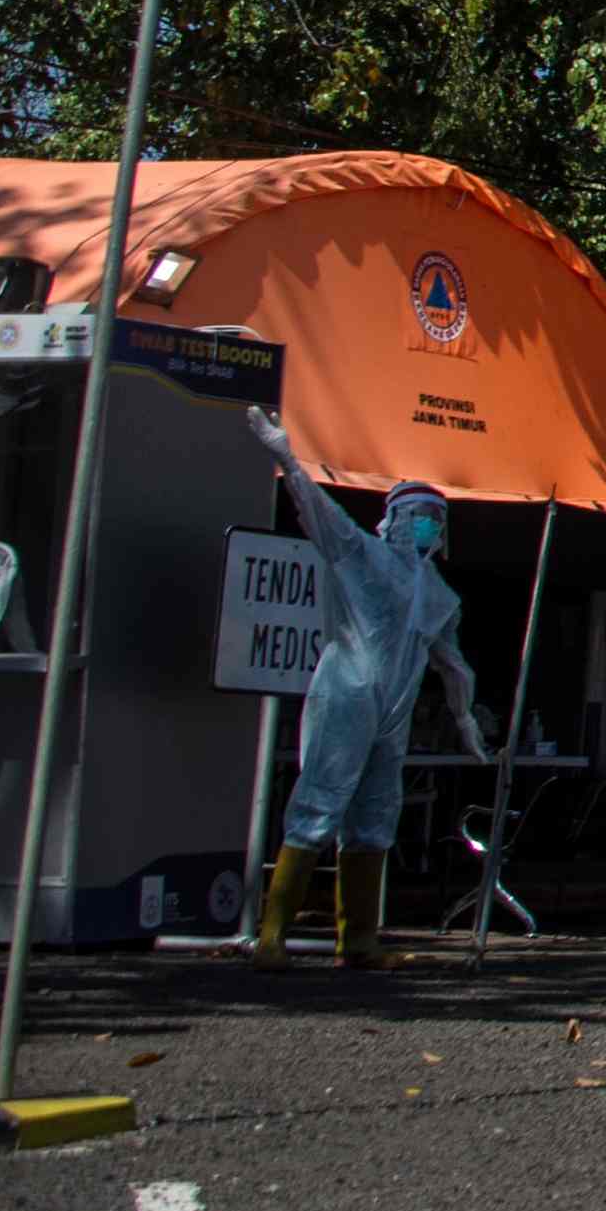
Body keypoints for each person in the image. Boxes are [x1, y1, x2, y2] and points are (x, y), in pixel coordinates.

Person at [244, 412, 486, 974]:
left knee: (377, 813)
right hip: (347, 691)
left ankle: (358, 939)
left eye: (436, 517)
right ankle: (273, 933)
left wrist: (465, 717)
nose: (428, 525)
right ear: (395, 519)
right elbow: (317, 511)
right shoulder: (362, 557)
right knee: (319, 801)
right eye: (419, 515)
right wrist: (285, 454)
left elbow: (453, 664)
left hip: (393, 711)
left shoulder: (437, 592)